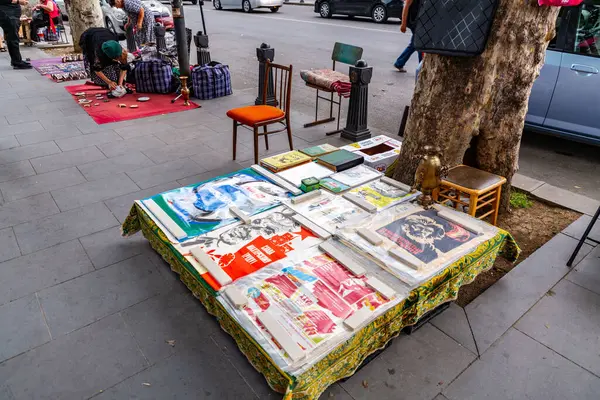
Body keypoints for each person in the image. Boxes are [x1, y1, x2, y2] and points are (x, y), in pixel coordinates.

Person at [0, 0, 32, 69]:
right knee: (12, 36)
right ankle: (17, 62)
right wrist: (18, 1)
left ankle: (16, 60)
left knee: (13, 35)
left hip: (11, 12)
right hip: (7, 12)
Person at [394, 0, 423, 73]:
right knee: (420, 45)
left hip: (418, 22)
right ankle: (421, 68)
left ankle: (399, 63)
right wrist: (403, 24)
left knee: (415, 44)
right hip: (415, 23)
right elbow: (406, 6)